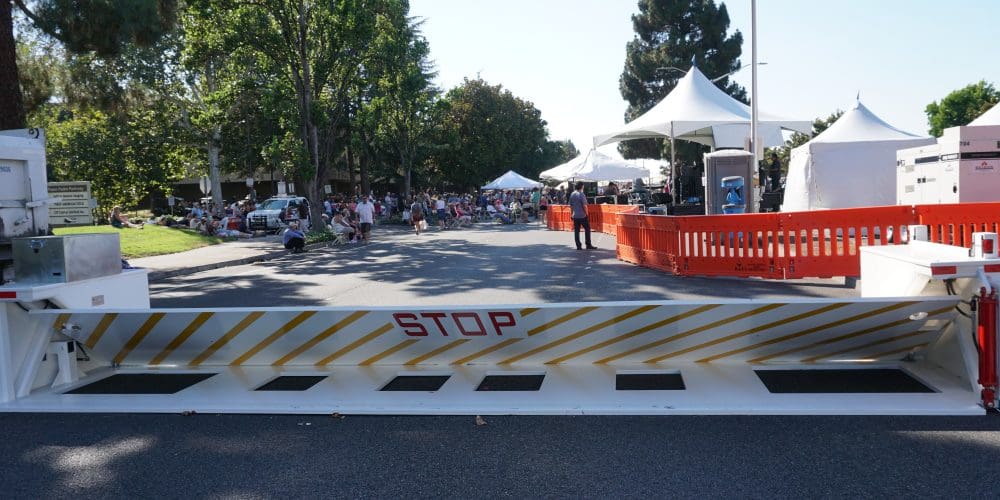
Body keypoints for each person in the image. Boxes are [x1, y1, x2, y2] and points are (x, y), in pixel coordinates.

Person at [569, 181, 596, 250]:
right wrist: (587, 213)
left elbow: (571, 206)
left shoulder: (572, 194)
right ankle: (588, 244)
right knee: (587, 229)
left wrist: (571, 214)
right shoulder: (581, 194)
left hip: (575, 215)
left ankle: (578, 245)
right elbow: (584, 206)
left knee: (576, 231)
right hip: (582, 215)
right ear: (582, 186)